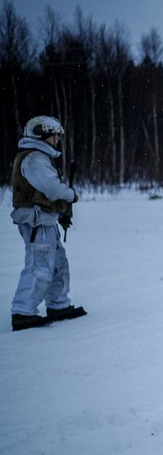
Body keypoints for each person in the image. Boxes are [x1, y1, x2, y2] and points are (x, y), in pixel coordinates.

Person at [10, 116, 86, 331]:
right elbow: (52, 189)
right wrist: (70, 195)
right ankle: (23, 312)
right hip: (35, 220)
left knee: (57, 264)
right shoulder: (35, 159)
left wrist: (61, 213)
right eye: (56, 135)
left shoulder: (38, 157)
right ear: (44, 135)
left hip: (44, 219)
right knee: (40, 266)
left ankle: (59, 305)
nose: (58, 140)